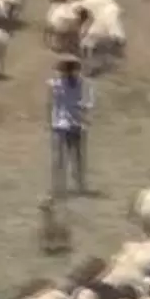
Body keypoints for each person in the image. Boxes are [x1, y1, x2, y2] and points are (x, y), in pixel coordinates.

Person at [47, 55, 93, 195]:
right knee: (59, 158)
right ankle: (59, 187)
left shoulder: (81, 84)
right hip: (61, 125)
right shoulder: (55, 84)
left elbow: (88, 102)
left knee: (78, 158)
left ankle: (80, 186)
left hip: (76, 124)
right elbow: (51, 104)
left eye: (72, 68)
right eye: (67, 68)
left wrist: (84, 108)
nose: (70, 71)